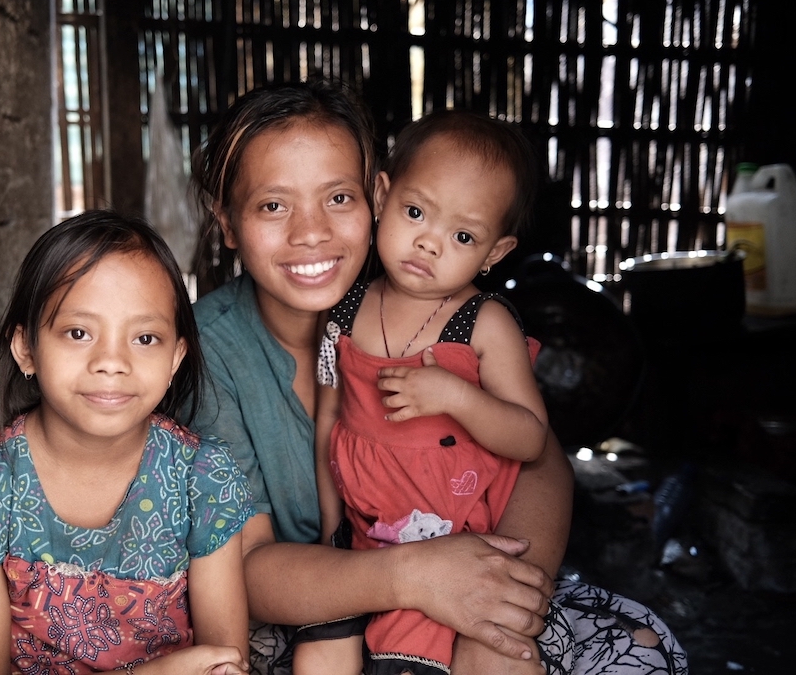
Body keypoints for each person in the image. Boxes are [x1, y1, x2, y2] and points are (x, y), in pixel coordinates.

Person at [187, 79, 688, 675]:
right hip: (314, 612)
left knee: (646, 652)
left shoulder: (428, 286)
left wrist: (495, 601)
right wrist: (419, 576)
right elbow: (246, 571)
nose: (311, 232)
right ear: (227, 222)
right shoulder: (208, 354)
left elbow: (540, 458)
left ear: (376, 195)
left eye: (338, 198)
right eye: (274, 205)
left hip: (471, 581)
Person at [0, 211, 254, 675]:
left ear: (176, 356)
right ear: (26, 349)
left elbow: (223, 663)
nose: (111, 361)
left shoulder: (199, 480)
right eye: (79, 333)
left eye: (144, 337)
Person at [295, 110, 550, 675]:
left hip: (457, 536)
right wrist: (328, 524)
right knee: (320, 650)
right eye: (416, 212)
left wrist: (457, 397)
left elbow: (531, 438)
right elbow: (329, 418)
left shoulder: (483, 324)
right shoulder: (345, 311)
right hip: (367, 532)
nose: (429, 244)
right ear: (382, 195)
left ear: (494, 253)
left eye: (462, 236)